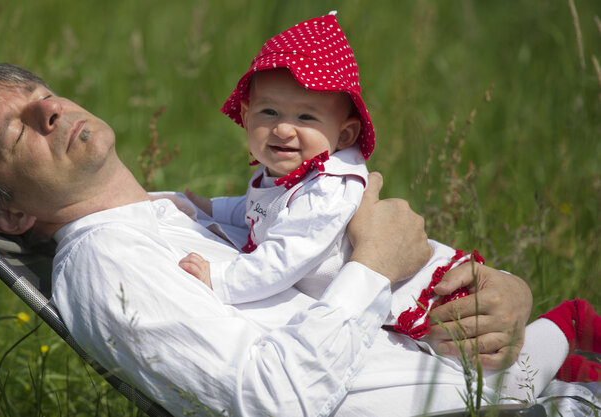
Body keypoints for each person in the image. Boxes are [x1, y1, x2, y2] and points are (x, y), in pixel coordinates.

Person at [0, 60, 598, 415]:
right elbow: (271, 403)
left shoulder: (173, 214)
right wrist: (376, 265)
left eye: (39, 94)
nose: (49, 108)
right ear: (9, 213)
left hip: (492, 380)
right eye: (19, 127)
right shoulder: (105, 266)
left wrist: (505, 293)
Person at [176, 12, 601, 396]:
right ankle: (569, 366)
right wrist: (208, 209)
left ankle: (573, 322)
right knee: (480, 370)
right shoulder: (278, 176)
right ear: (247, 115)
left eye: (306, 117)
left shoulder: (328, 189)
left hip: (425, 293)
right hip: (381, 296)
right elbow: (257, 212)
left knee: (497, 373)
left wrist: (224, 279)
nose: (283, 128)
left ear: (343, 136)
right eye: (268, 112)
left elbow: (288, 254)